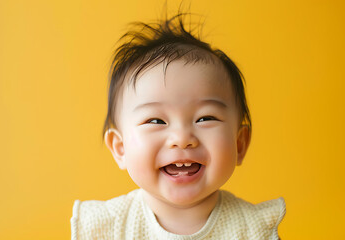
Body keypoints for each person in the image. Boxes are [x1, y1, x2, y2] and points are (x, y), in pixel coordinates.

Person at [71, 13, 286, 239]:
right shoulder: (109, 227)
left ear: (239, 144)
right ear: (120, 147)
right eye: (156, 121)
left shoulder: (253, 229)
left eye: (205, 118)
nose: (182, 138)